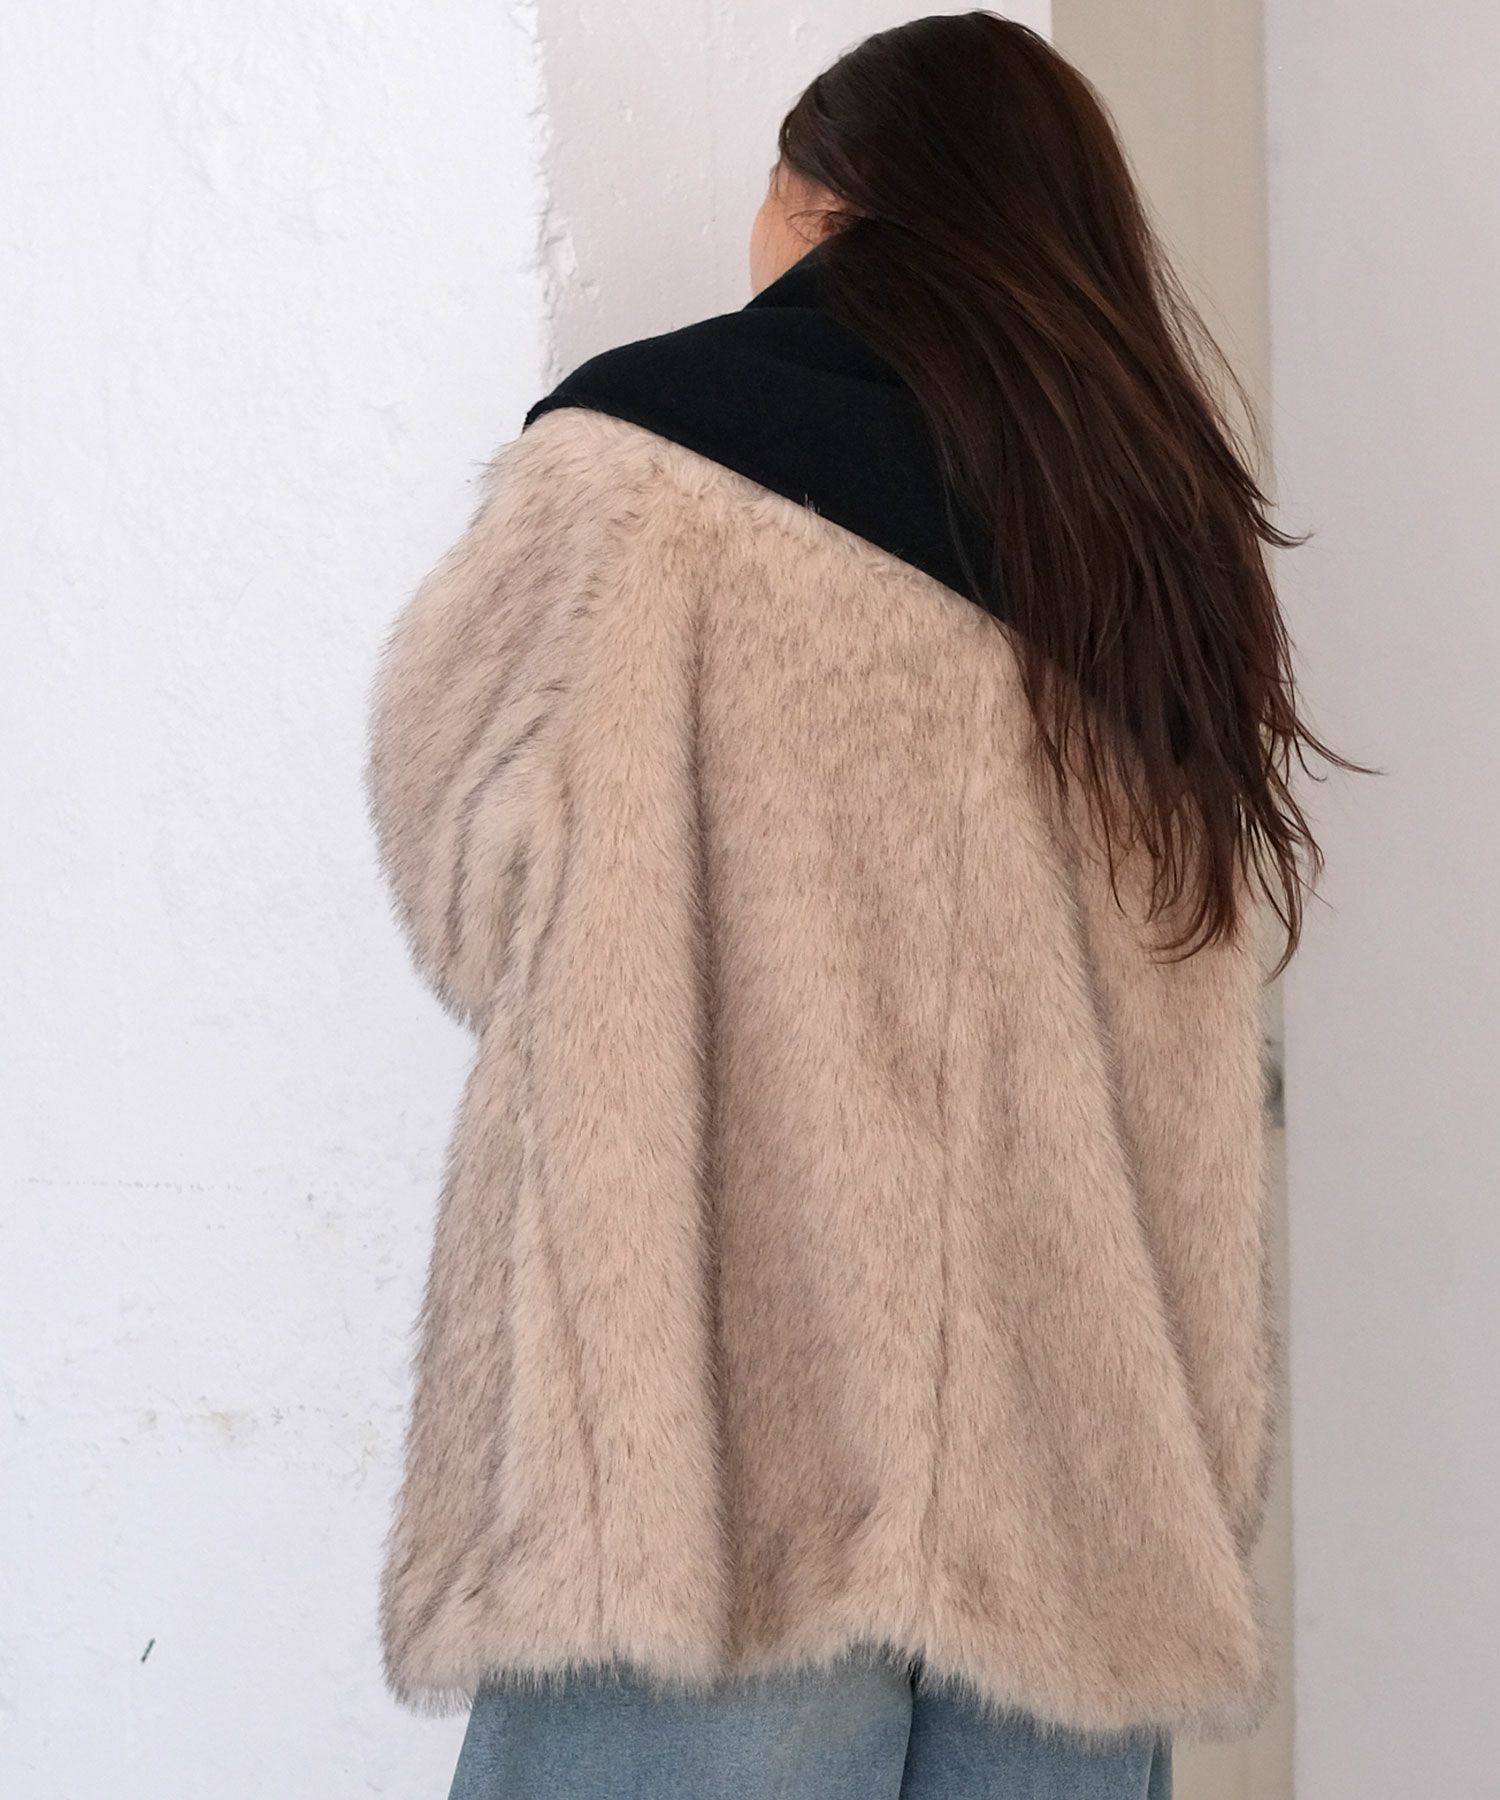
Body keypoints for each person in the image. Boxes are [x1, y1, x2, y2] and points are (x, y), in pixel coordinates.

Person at [368, 13, 1343, 1797]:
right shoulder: (1151, 551)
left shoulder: (639, 474)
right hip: (1072, 1483)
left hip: (720, 1461)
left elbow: (468, 878)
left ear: (825, 202)